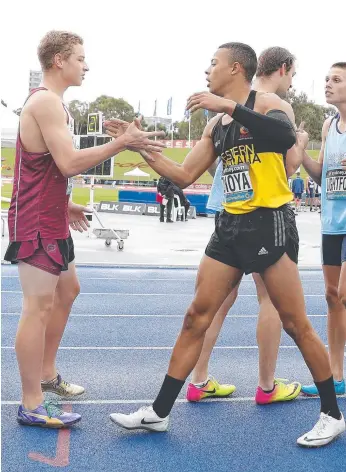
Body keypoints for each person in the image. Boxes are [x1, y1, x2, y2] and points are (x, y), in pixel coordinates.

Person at [107, 43, 345, 446]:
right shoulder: (216, 124)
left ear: (235, 68)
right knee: (195, 316)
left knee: (295, 323)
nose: (207, 71)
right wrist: (140, 147)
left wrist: (231, 107)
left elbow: (283, 137)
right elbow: (182, 175)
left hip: (270, 224)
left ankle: (332, 414)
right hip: (229, 228)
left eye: (213, 64)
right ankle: (159, 413)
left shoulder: (270, 104)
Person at [4, 30, 165, 428]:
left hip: (50, 214)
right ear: (59, 60)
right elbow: (70, 163)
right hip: (35, 220)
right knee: (37, 306)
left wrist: (66, 204)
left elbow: (44, 169)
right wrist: (122, 142)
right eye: (79, 58)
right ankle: (30, 402)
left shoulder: (55, 104)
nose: (86, 65)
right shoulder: (44, 102)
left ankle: (46, 375)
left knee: (69, 290)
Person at [187, 47, 302, 404]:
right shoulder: (272, 105)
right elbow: (288, 168)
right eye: (294, 75)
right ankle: (267, 386)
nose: (293, 81)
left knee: (215, 301)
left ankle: (198, 379)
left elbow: (212, 164)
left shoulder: (229, 103)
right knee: (269, 299)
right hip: (262, 216)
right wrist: (298, 143)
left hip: (227, 210)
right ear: (283, 69)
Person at [300, 62, 346, 397]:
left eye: (336, 80)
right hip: (332, 222)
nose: (328, 84)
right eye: (327, 79)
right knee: (332, 297)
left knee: (344, 293)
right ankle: (336, 373)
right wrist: (300, 153)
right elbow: (320, 176)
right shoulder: (330, 126)